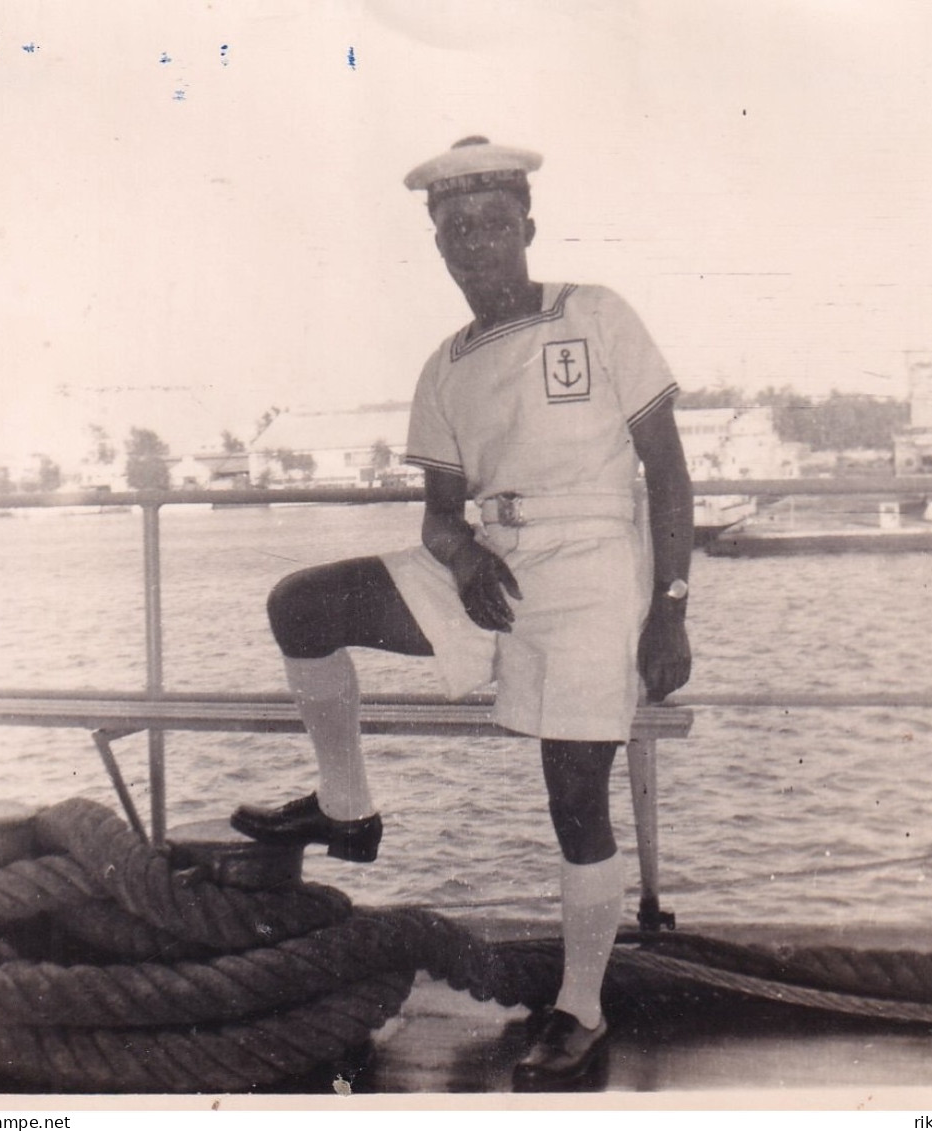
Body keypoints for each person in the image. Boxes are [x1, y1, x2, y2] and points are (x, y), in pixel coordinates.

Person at [232, 137, 693, 1090]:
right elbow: (440, 515)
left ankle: (579, 1006)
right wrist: (462, 552)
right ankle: (347, 807)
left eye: (490, 222)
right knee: (302, 605)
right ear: (437, 245)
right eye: (454, 229)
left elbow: (669, 469)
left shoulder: (593, 313)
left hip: (598, 565)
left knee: (574, 799)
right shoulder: (443, 366)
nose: (474, 242)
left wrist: (670, 609)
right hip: (490, 562)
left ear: (527, 226)